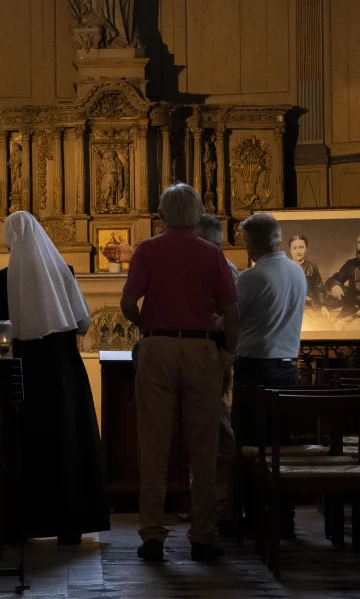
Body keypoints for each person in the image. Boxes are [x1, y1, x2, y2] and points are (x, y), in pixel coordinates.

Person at [121, 185, 239, 563]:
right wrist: (228, 354)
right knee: (203, 449)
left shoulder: (147, 250)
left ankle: (153, 535)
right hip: (201, 349)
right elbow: (231, 310)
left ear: (162, 214)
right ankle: (202, 536)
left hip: (158, 348)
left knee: (153, 447)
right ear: (196, 213)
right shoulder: (212, 254)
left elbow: (127, 303)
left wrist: (147, 326)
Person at [0, 210, 109, 543]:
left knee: (22, 445)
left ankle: (21, 525)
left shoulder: (0, 281)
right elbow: (83, 322)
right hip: (61, 372)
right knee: (66, 441)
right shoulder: (63, 273)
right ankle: (69, 525)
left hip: (17, 375)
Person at [234, 213, 307, 538]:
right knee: (282, 446)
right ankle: (284, 519)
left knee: (251, 446)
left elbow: (232, 318)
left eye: (246, 241)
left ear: (255, 243)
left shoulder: (252, 276)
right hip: (288, 368)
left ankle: (254, 518)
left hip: (255, 368)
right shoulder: (297, 272)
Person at [196, 213, 238, 534]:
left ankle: (222, 505)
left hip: (216, 358)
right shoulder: (204, 266)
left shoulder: (227, 269)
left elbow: (232, 317)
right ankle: (203, 503)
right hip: (201, 357)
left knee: (220, 434)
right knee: (199, 433)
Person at [325, 234, 360, 324]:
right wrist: (335, 286)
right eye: (359, 243)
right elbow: (333, 279)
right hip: (350, 310)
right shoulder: (350, 264)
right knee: (334, 328)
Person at [287, 234, 325, 309]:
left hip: (310, 305)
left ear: (306, 249)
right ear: (290, 250)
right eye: (294, 248)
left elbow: (319, 290)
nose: (298, 251)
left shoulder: (312, 267)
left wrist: (323, 306)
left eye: (301, 247)